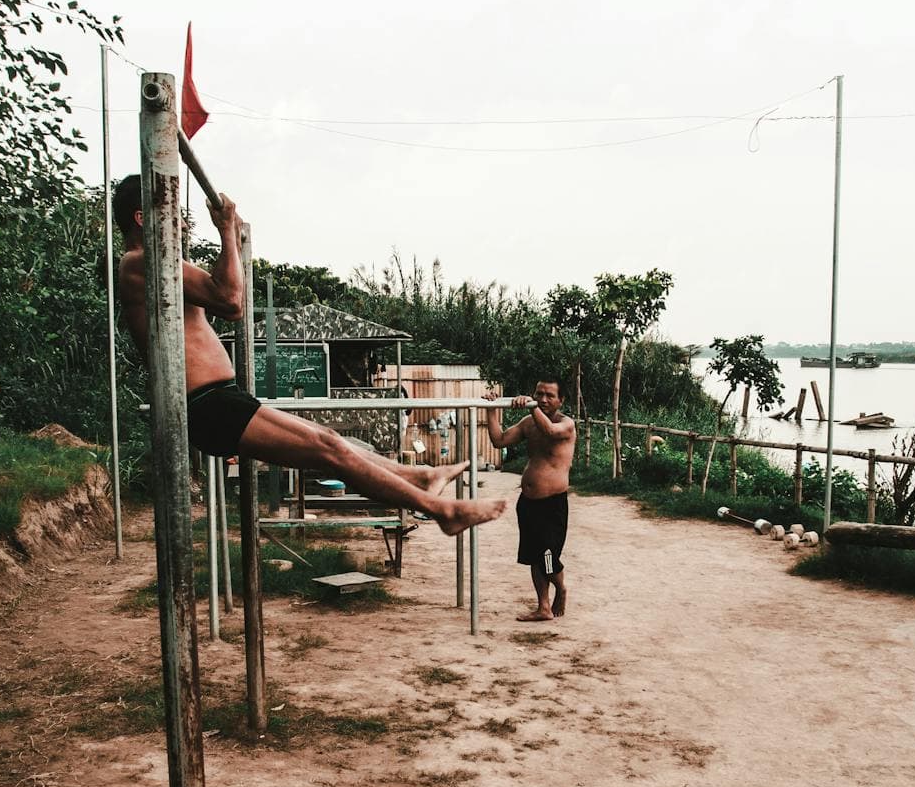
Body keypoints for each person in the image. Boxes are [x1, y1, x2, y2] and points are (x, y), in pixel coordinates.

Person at [112, 174, 506, 537]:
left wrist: (229, 237)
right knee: (329, 449)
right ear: (144, 218)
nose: (182, 223)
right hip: (203, 405)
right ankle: (438, 510)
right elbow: (230, 300)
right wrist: (228, 232)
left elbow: (226, 293)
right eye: (173, 214)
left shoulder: (159, 266)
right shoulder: (139, 263)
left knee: (330, 441)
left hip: (218, 398)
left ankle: (419, 478)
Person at [484, 382, 576, 621]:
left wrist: (530, 406)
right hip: (528, 503)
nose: (543, 399)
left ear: (561, 400)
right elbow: (499, 440)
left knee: (547, 556)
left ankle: (562, 588)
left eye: (549, 395)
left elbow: (550, 432)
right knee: (534, 556)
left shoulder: (566, 424)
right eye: (539, 394)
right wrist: (491, 409)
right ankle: (543, 607)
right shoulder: (528, 424)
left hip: (552, 504)